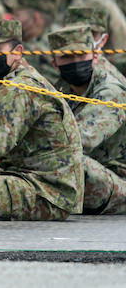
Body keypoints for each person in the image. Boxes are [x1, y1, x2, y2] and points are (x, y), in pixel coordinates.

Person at [0, 19, 84, 220]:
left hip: (47, 193)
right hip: (31, 182)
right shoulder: (6, 85)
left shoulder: (19, 88)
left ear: (17, 51)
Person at [49, 25, 126, 215]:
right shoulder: (60, 91)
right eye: (67, 57)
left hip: (118, 181)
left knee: (72, 162)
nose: (75, 62)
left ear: (95, 57)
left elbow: (80, 140)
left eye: (81, 55)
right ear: (54, 63)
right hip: (90, 176)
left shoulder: (112, 91)